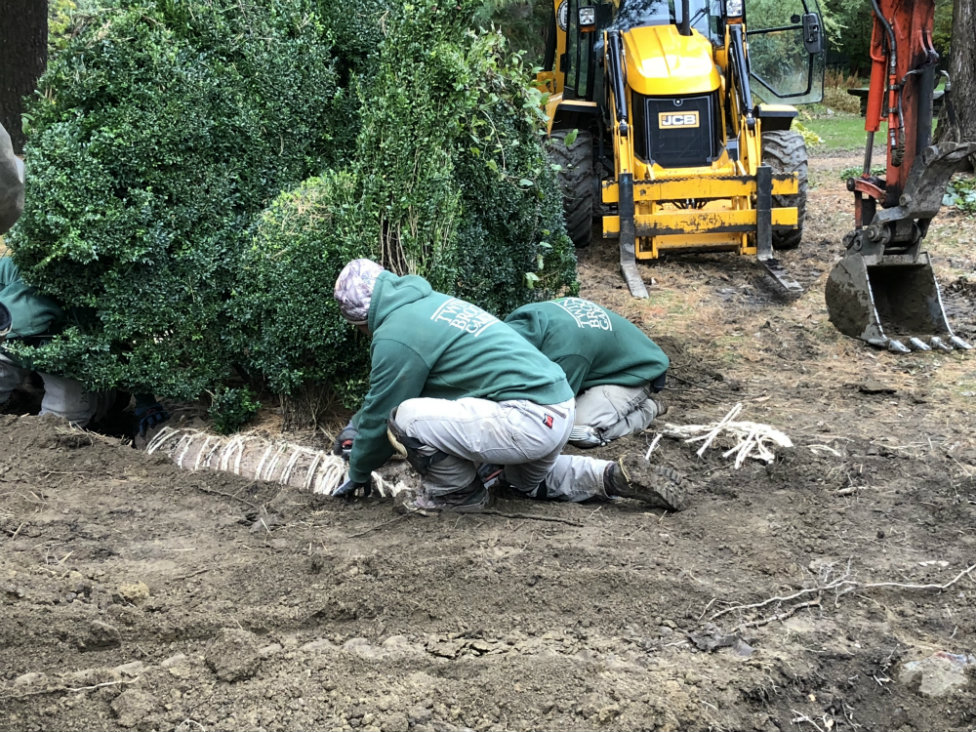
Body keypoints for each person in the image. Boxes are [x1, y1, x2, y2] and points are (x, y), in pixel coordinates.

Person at [331, 258, 687, 514]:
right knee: (522, 483)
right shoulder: (431, 304)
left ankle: (457, 495)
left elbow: (383, 410)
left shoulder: (396, 334)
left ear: (360, 319)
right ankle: (613, 477)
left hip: (527, 419)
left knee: (403, 416)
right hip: (557, 411)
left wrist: (358, 471)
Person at [0, 124, 166, 434]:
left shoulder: (89, 289)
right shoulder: (15, 267)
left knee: (63, 419)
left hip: (68, 356)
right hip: (14, 347)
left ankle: (105, 401)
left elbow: (129, 337)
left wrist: (145, 398)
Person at [504, 296, 670, 449]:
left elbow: (555, 409)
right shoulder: (514, 324)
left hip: (635, 371)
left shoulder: (566, 353)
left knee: (576, 431)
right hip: (600, 360)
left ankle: (648, 409)